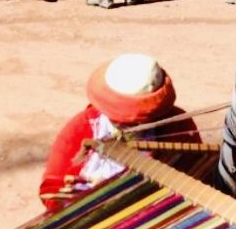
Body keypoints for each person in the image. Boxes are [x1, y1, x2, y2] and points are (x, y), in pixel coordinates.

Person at [39, 53, 201, 214]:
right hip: (90, 215)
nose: (128, 124)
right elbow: (52, 187)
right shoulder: (83, 126)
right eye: (121, 118)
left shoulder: (177, 125)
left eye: (138, 120)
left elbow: (197, 176)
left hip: (156, 214)